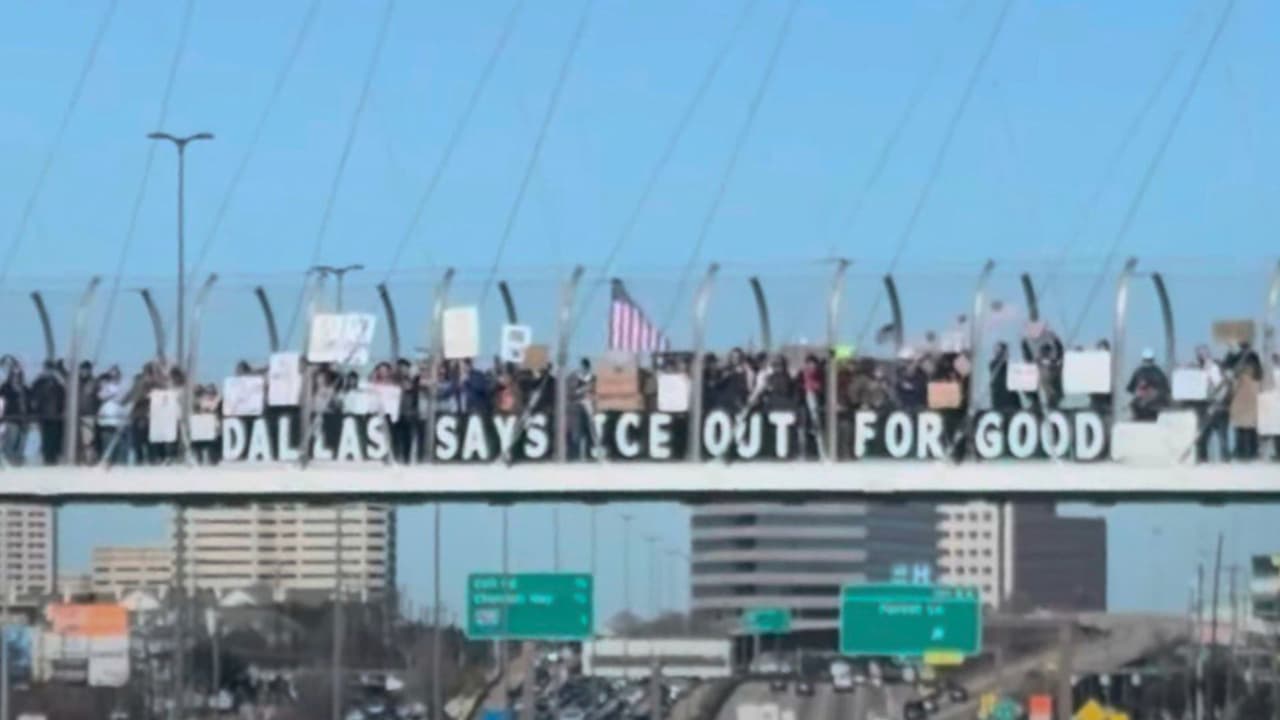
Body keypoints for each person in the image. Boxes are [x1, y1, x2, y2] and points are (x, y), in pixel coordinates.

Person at [1190, 345, 1229, 461]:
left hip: (1216, 406)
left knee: (1221, 437)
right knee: (1203, 437)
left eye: (1200, 354)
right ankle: (1203, 459)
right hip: (1205, 407)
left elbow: (1220, 386)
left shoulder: (1213, 368)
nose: (1199, 357)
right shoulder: (1201, 369)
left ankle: (1224, 460)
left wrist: (1215, 399)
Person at [30, 360, 66, 465]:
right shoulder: (39, 383)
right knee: (46, 438)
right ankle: (47, 458)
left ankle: (53, 457)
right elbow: (35, 398)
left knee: (54, 437)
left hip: (56, 415)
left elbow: (62, 397)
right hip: (44, 415)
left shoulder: (58, 384)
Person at [1126, 348, 1170, 421]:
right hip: (1158, 407)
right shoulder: (1159, 372)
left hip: (1142, 408)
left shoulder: (1138, 372)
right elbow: (1167, 389)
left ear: (1143, 359)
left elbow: (1130, 389)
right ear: (1153, 359)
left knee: (1133, 405)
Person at [0, 359, 29, 465]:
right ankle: (8, 460)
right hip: (11, 418)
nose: (16, 378)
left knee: (21, 442)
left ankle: (17, 461)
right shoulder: (6, 387)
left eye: (18, 375)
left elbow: (29, 402)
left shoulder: (24, 389)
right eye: (14, 375)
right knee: (11, 440)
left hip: (24, 420)